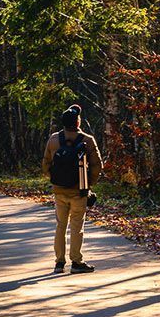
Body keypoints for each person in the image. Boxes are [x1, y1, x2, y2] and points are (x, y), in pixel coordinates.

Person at [42, 104, 102, 274]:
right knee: (77, 226)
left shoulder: (54, 139)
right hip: (78, 192)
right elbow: (98, 166)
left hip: (59, 191)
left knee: (61, 225)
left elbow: (45, 164)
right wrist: (88, 184)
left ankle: (59, 263)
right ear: (77, 122)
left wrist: (55, 179)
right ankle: (76, 262)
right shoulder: (87, 140)